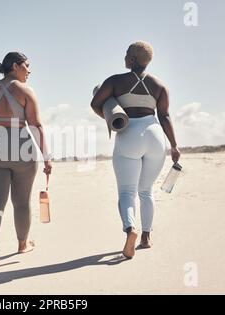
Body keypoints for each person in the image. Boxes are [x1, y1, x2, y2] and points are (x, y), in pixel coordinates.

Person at [91, 41, 180, 259]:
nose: (124, 56)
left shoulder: (114, 81)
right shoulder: (160, 86)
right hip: (155, 135)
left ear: (131, 60)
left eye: (126, 54)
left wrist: (112, 117)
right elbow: (165, 115)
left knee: (126, 192)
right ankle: (146, 237)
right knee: (146, 191)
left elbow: (96, 103)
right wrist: (175, 145)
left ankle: (130, 229)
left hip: (128, 134)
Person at [0, 52, 52, 266]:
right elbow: (36, 125)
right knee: (21, 201)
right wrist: (47, 157)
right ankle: (22, 245)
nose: (29, 70)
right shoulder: (25, 91)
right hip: (22, 149)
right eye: (27, 66)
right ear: (15, 66)